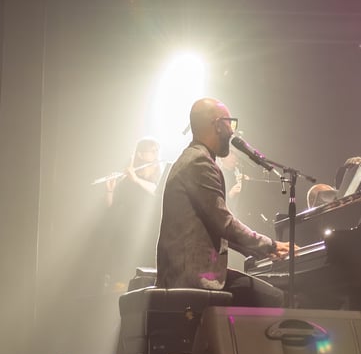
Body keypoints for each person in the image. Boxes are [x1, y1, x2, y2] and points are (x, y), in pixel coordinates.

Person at [156, 97, 289, 307]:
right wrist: (270, 244)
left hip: (189, 271)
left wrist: (268, 250)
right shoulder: (199, 162)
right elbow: (225, 223)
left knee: (265, 294)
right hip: (192, 276)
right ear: (218, 125)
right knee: (275, 299)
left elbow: (217, 228)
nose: (232, 131)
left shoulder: (192, 158)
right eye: (230, 123)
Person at [101, 137, 165, 292]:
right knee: (124, 270)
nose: (156, 154)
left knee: (147, 268)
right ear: (141, 155)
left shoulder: (158, 174)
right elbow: (111, 206)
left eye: (156, 150)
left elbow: (157, 191)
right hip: (128, 230)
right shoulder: (127, 179)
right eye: (152, 151)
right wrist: (109, 189)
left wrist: (135, 179)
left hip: (150, 230)